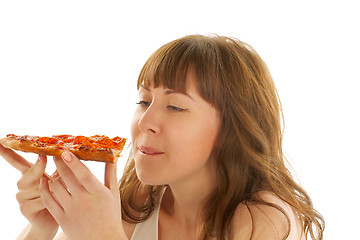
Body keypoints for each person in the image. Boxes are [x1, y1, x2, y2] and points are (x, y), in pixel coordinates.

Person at [0, 34, 325, 240]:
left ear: (233, 128)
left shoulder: (264, 221)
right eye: (143, 101)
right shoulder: (137, 202)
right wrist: (42, 228)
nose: (145, 122)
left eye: (175, 106)